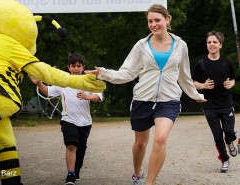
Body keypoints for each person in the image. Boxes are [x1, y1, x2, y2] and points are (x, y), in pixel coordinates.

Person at [85, 4, 206, 185]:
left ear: (167, 20)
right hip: (142, 99)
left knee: (160, 138)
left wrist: (194, 94)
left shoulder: (181, 45)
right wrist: (102, 73)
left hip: (169, 100)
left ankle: (149, 182)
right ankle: (137, 173)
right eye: (150, 21)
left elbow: (184, 76)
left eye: (157, 20)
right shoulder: (141, 45)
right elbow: (127, 73)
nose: (153, 24)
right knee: (140, 144)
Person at [30, 53, 103, 185]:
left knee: (81, 149)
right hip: (68, 120)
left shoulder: (88, 81)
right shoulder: (63, 82)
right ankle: (70, 175)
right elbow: (48, 91)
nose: (76, 68)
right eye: (73, 66)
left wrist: (88, 97)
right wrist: (38, 82)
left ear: (83, 67)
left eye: (78, 66)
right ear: (68, 67)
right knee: (71, 145)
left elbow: (99, 96)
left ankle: (76, 169)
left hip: (85, 122)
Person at [192, 31, 238, 173]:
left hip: (226, 104)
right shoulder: (201, 63)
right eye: (209, 42)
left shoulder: (226, 62)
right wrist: (203, 86)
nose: (211, 44)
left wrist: (231, 84)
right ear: (207, 45)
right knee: (217, 135)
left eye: (214, 42)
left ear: (220, 45)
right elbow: (193, 83)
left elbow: (233, 79)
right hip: (209, 105)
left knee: (229, 131)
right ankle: (224, 160)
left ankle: (230, 140)